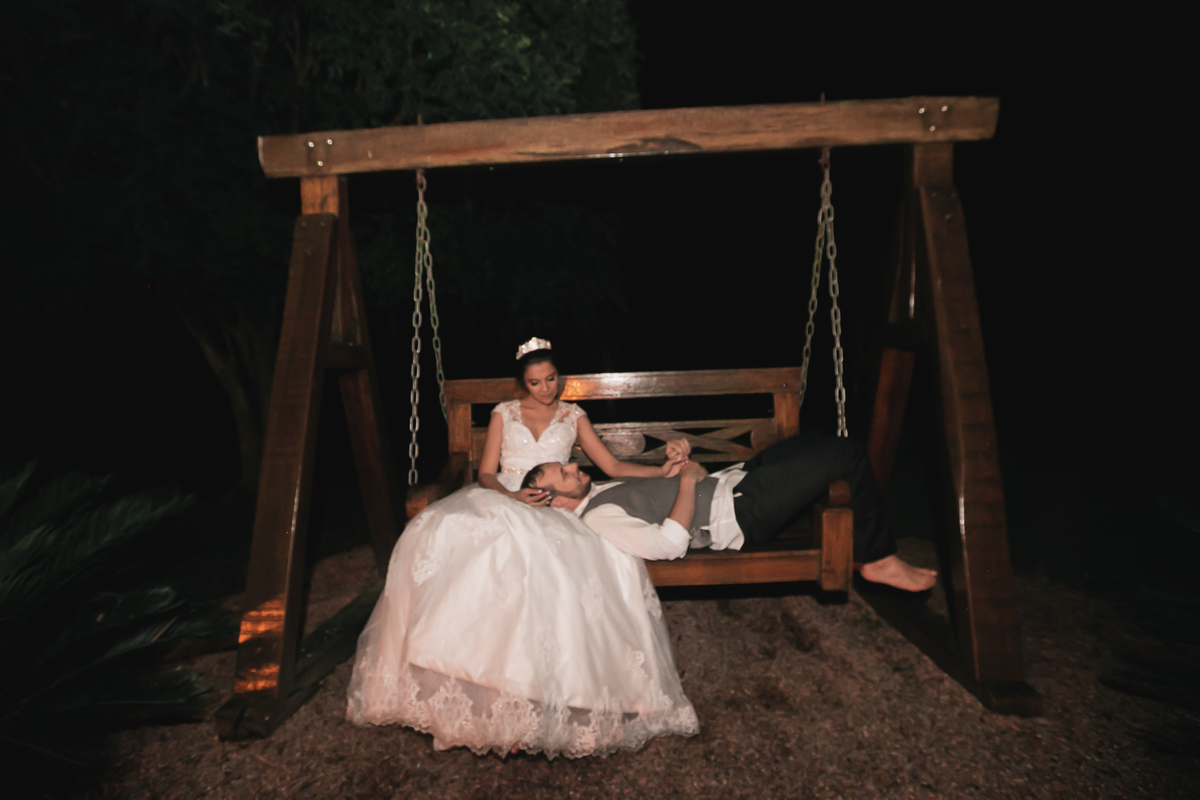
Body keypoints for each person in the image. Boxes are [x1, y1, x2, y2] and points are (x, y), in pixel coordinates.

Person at [346, 338, 699, 759]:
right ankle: (467, 681)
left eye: (551, 379)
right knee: (448, 530)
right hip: (506, 494)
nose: (546, 389)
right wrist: (511, 497)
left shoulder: (573, 415)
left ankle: (534, 695)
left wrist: (662, 471)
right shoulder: (504, 413)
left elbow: (611, 466)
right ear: (522, 384)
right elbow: (486, 473)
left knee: (544, 557)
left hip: (552, 503)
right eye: (535, 383)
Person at [522, 432, 939, 592]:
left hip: (737, 480)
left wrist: (676, 461)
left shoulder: (600, 491)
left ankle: (872, 548)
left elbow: (659, 491)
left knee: (814, 442)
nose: (573, 465)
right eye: (564, 473)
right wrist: (688, 482)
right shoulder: (598, 518)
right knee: (848, 454)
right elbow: (668, 544)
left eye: (566, 464)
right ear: (554, 501)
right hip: (741, 512)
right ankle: (877, 559)